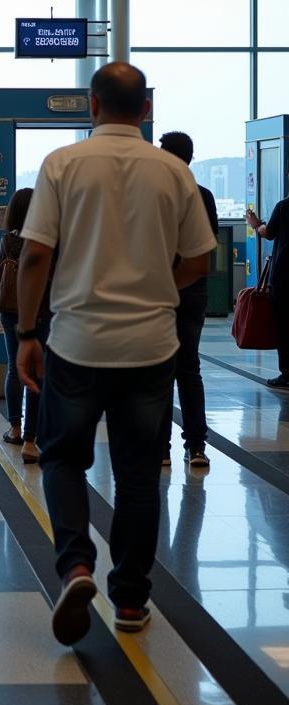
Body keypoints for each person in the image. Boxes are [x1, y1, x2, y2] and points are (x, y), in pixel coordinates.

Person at [16, 63, 215, 646]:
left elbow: (33, 257)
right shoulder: (173, 173)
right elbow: (199, 261)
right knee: (135, 476)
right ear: (146, 109)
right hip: (151, 346)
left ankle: (76, 566)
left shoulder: (62, 165)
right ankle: (131, 599)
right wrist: (152, 289)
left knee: (61, 458)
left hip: (77, 341)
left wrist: (29, 333)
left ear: (92, 106)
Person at [159, 131, 219, 464]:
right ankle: (196, 446)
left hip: (161, 292)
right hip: (194, 290)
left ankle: (161, 450)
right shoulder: (204, 196)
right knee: (189, 369)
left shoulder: (154, 194)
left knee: (160, 371)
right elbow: (208, 247)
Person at [0, 188, 47, 466]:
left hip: (11, 310)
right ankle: (31, 440)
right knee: (37, 374)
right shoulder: (47, 241)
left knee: (15, 368)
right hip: (42, 312)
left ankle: (14, 428)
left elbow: (0, 275)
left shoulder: (8, 241)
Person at [246, 194, 289, 391]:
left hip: (284, 277)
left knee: (284, 326)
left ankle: (287, 374)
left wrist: (256, 224)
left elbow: (268, 232)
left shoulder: (284, 207)